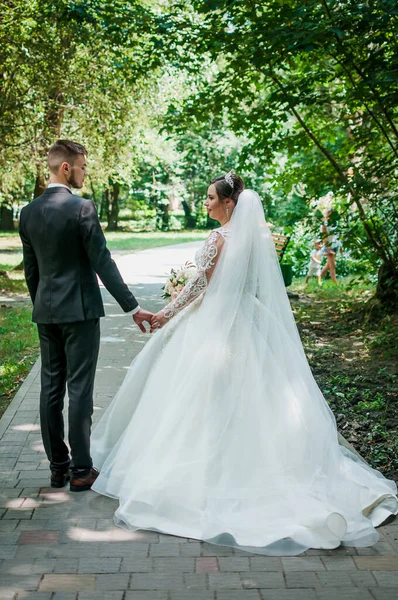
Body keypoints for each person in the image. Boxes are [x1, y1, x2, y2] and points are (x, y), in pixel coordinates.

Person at [91, 172, 397, 556]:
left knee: (199, 397)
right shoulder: (252, 240)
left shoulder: (219, 238)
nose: (206, 203)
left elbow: (198, 286)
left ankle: (208, 475)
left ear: (229, 203)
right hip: (246, 323)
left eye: (209, 197)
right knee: (255, 393)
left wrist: (163, 314)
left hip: (212, 326)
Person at [19, 140, 153, 492]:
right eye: (82, 167)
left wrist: (42, 305)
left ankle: (56, 468)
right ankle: (81, 470)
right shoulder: (82, 209)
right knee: (79, 390)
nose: (84, 172)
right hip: (79, 313)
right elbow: (102, 263)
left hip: (46, 313)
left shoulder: (28, 213)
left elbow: (31, 271)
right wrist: (133, 308)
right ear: (66, 168)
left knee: (50, 389)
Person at [320, 208, 340, 283]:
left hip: (335, 245)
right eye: (329, 213)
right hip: (328, 246)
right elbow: (324, 237)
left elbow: (337, 235)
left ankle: (318, 279)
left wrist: (340, 246)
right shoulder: (324, 225)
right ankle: (335, 282)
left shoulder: (336, 223)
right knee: (332, 266)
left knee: (328, 265)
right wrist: (328, 248)